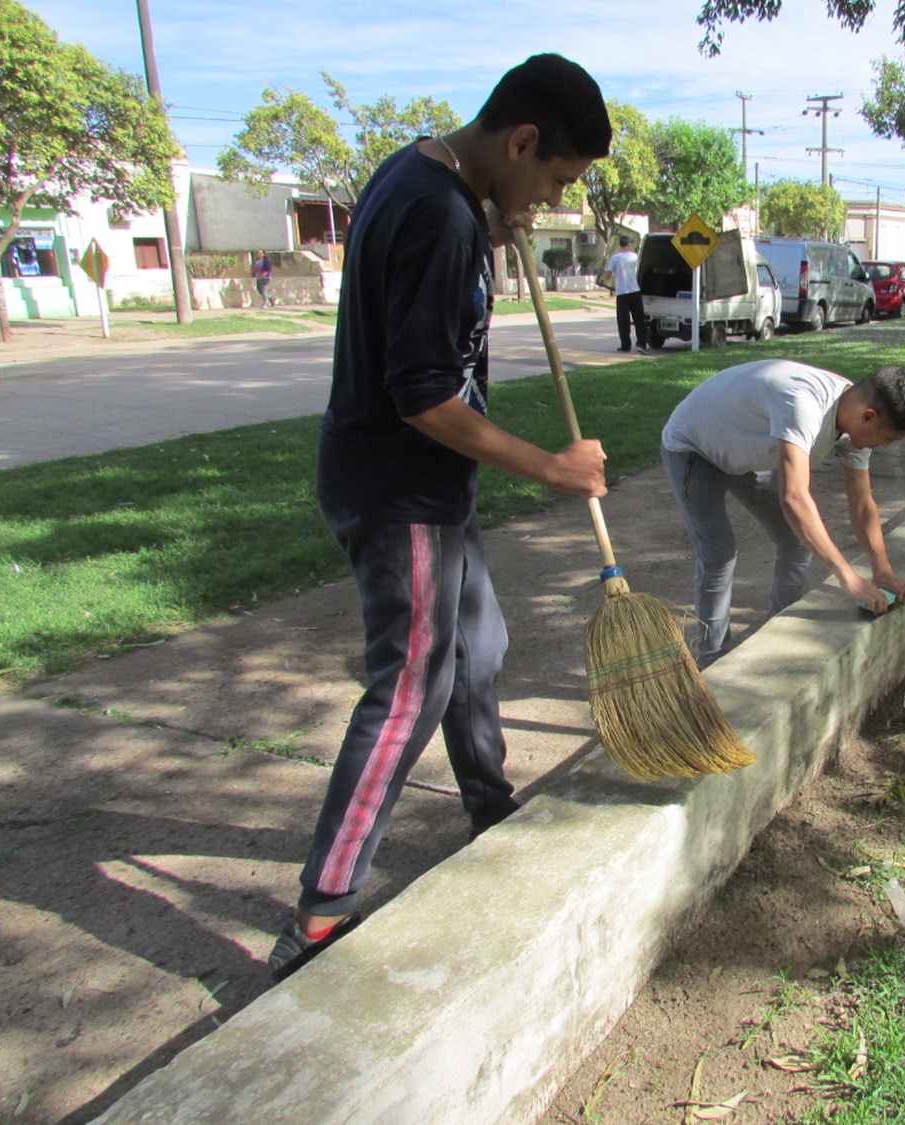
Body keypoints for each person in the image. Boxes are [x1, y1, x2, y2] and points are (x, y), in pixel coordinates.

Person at [266, 54, 612, 982]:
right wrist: (551, 465)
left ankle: (490, 803)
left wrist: (491, 228)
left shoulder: (423, 178)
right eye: (554, 179)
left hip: (423, 484)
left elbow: (424, 317)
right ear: (522, 140)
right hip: (400, 489)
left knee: (480, 646)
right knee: (411, 682)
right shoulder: (438, 213)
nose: (546, 200)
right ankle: (322, 909)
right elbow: (423, 395)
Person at [661, 360, 905, 668]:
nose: (885, 446)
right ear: (869, 417)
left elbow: (862, 503)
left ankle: (778, 630)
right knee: (719, 553)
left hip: (748, 449)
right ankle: (712, 660)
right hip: (694, 446)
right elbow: (795, 498)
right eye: (889, 439)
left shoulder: (855, 416)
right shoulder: (803, 405)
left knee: (796, 538)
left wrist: (881, 568)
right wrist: (847, 576)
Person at [608, 235, 648, 354]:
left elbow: (608, 275)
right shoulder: (634, 257)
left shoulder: (615, 258)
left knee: (623, 321)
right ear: (629, 245)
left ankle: (625, 345)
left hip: (622, 293)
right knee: (639, 319)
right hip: (635, 291)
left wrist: (602, 271)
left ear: (620, 245)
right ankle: (642, 343)